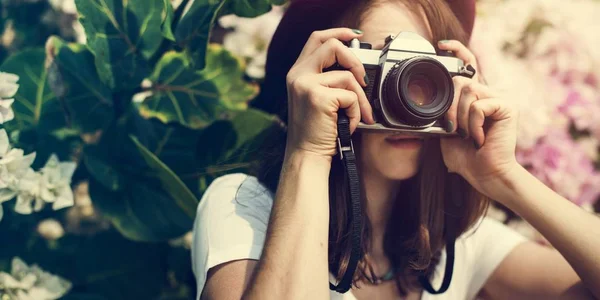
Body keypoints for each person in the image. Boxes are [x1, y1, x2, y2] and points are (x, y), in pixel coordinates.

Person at [191, 0, 600, 299]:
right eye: (383, 70)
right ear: (325, 74)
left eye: (425, 74)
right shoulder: (243, 208)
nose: (410, 99)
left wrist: (504, 177)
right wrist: (309, 152)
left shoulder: (455, 246)